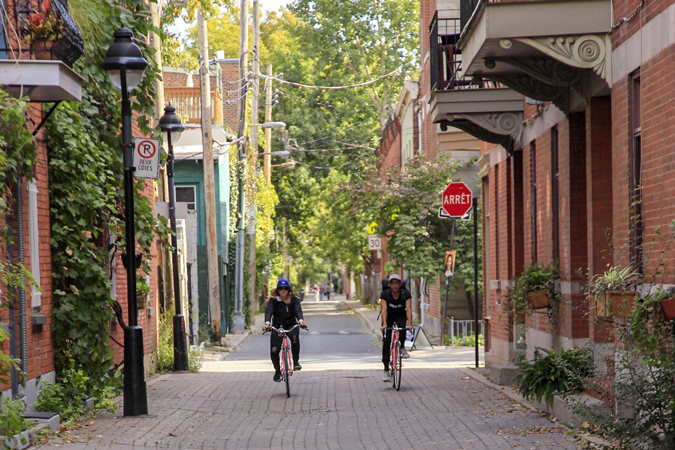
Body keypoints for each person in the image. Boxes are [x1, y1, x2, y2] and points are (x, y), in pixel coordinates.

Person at [263, 279, 307, 382]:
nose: (283, 291)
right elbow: (269, 312)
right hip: (277, 325)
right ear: (277, 289)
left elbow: (298, 311)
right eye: (281, 288)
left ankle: (296, 362)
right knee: (274, 350)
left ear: (289, 290)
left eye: (285, 288)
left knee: (295, 338)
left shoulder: (294, 300)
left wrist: (301, 321)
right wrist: (267, 323)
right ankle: (277, 371)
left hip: (291, 324)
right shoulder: (273, 300)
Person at [380, 273, 413, 381]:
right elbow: (384, 309)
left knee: (402, 330)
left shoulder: (405, 294)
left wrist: (410, 324)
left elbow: (408, 309)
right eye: (392, 283)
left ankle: (402, 347)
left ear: (400, 284)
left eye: (397, 283)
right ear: (389, 285)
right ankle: (386, 369)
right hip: (388, 316)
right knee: (386, 341)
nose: (395, 285)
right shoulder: (385, 294)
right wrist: (384, 324)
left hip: (400, 315)